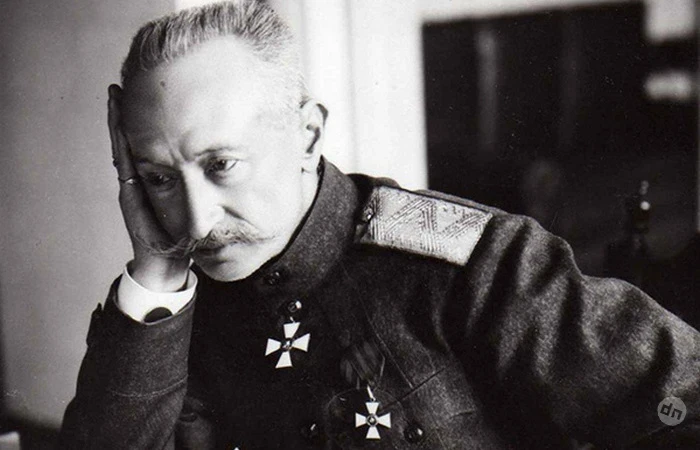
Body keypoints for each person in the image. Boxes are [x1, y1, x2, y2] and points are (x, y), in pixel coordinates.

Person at [58, 1, 699, 449]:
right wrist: (156, 269)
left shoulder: (462, 263)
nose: (196, 221)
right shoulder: (168, 317)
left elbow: (682, 406)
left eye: (221, 165)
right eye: (159, 178)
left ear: (307, 135)